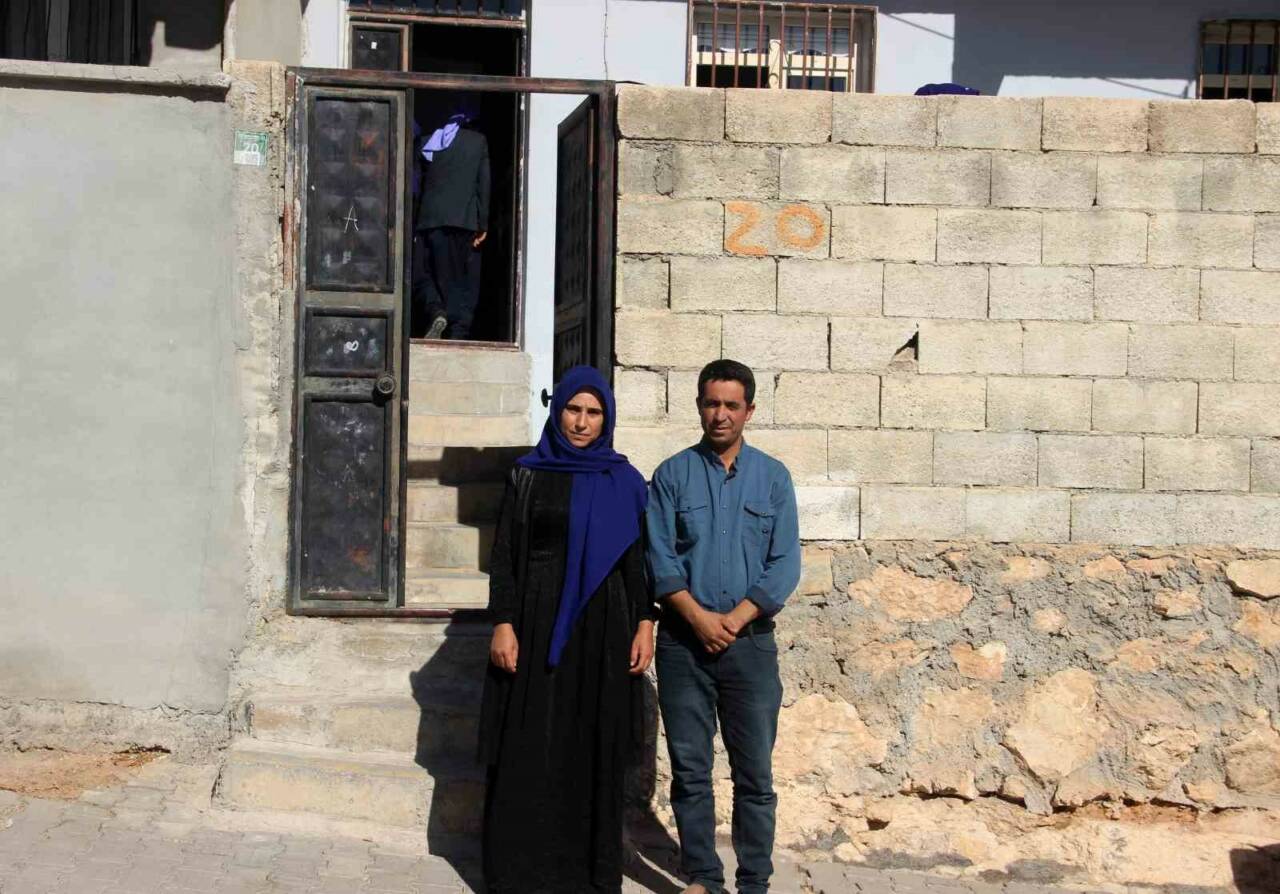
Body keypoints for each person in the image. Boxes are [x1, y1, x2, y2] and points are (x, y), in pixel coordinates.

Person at [478, 365, 655, 894]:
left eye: (593, 413)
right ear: (557, 411)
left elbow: (636, 563)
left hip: (602, 628)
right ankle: (520, 875)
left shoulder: (624, 481)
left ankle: (587, 876)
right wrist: (503, 622)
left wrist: (645, 621)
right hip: (534, 622)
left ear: (607, 419)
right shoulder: (526, 474)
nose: (581, 422)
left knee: (592, 743)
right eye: (573, 410)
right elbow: (504, 555)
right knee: (528, 742)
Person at [646, 359, 801, 894]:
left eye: (732, 405)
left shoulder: (773, 478)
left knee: (754, 774)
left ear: (749, 411)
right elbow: (660, 558)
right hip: (683, 645)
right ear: (698, 406)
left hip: (749, 647)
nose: (721, 414)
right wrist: (697, 618)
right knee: (690, 771)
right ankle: (704, 878)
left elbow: (785, 564)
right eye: (712, 403)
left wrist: (733, 620)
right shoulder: (671, 476)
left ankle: (754, 882)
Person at [413, 100, 490, 340]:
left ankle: (436, 311)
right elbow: (484, 184)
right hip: (465, 222)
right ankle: (457, 332)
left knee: (426, 273)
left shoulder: (428, 142)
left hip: (430, 220)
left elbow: (417, 184)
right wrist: (483, 224)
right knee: (461, 280)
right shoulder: (478, 142)